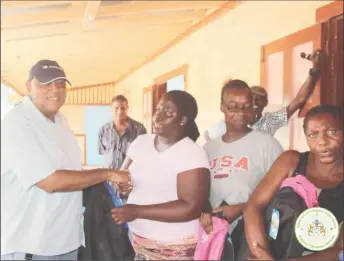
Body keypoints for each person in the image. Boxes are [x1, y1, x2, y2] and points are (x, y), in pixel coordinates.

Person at [1, 60, 129, 260]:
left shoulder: (61, 121)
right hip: (32, 246)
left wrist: (110, 185)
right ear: (29, 86)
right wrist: (107, 173)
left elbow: (72, 174)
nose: (55, 90)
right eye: (45, 83)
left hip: (67, 242)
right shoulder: (16, 124)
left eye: (60, 83)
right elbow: (50, 181)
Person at [111, 90, 210, 260]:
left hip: (173, 250)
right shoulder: (141, 142)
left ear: (183, 120)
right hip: (138, 245)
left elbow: (191, 207)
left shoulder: (191, 153)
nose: (158, 116)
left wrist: (137, 211)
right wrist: (121, 186)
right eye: (158, 110)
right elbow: (121, 177)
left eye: (168, 113)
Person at [243, 104, 343, 260]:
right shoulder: (291, 161)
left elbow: (340, 251)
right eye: (313, 134)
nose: (322, 141)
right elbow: (253, 207)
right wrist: (262, 254)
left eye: (331, 132)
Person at [200, 79, 283, 236]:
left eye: (246, 106)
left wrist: (242, 208)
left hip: (253, 232)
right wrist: (205, 211)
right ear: (222, 107)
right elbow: (201, 191)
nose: (241, 112)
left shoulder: (267, 144)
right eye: (233, 107)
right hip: (215, 234)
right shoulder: (209, 148)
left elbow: (283, 193)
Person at [204, 49, 322, 140]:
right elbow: (208, 137)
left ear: (265, 103)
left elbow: (299, 100)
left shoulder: (270, 122)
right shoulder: (229, 122)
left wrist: (314, 71)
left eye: (260, 98)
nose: (255, 101)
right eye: (252, 97)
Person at [98, 95, 146, 170]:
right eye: (116, 108)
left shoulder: (139, 129)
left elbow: (143, 153)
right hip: (108, 176)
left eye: (123, 108)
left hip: (130, 176)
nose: (120, 111)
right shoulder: (103, 130)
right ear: (111, 108)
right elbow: (103, 152)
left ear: (127, 108)